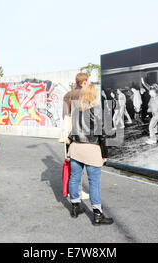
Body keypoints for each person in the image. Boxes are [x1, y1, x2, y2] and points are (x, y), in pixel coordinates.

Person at [67, 84, 113, 225]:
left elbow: (72, 132)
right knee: (94, 183)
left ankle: (75, 207)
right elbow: (102, 135)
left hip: (75, 148)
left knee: (74, 178)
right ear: (94, 95)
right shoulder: (98, 110)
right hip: (92, 149)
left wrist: (67, 151)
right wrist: (105, 154)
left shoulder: (76, 110)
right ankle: (97, 215)